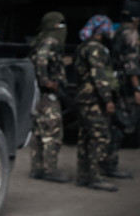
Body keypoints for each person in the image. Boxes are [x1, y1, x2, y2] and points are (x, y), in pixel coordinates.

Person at [73, 15, 119, 192]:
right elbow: (99, 76)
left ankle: (84, 176)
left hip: (84, 98)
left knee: (86, 136)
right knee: (100, 137)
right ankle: (96, 177)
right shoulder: (95, 49)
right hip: (94, 99)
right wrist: (108, 100)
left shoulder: (84, 46)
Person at [27, 11, 71, 183]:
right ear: (53, 25)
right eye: (60, 24)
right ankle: (49, 170)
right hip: (48, 95)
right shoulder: (51, 41)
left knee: (38, 132)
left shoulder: (39, 40)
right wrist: (47, 82)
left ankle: (37, 168)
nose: (63, 28)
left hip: (38, 95)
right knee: (52, 133)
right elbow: (41, 60)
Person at [108, 10, 139, 179]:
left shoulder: (117, 32)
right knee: (120, 124)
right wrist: (137, 89)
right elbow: (131, 66)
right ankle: (110, 164)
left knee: (116, 123)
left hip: (117, 81)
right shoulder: (130, 34)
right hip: (127, 85)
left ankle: (108, 162)